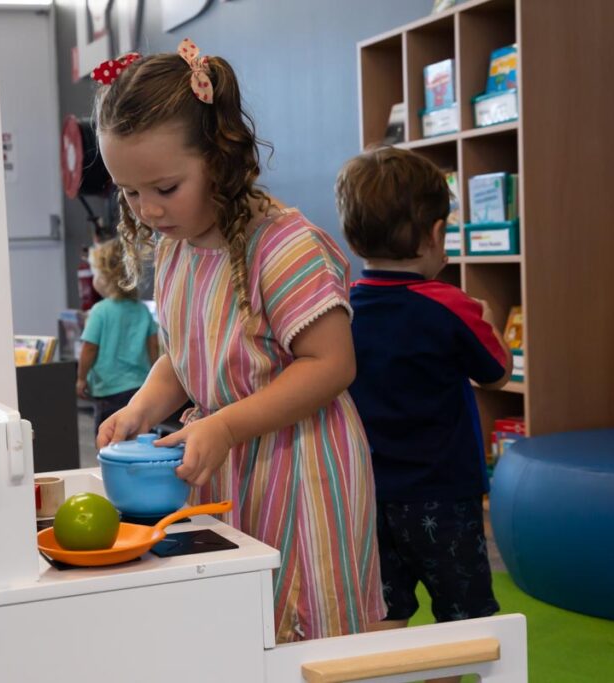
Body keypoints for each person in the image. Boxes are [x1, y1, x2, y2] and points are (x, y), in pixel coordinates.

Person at [91, 39, 385, 642]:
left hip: (300, 472)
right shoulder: (177, 246)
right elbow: (188, 349)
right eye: (129, 192)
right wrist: (142, 407)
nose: (147, 209)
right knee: (238, 630)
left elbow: (331, 364)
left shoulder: (283, 245)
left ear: (220, 159)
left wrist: (225, 425)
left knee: (302, 635)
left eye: (165, 188)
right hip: (226, 465)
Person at [335, 147, 510, 681]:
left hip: (367, 494)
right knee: (459, 620)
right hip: (444, 497)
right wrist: (485, 317)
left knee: (384, 611)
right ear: (436, 234)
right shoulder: (449, 304)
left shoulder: (341, 305)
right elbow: (496, 372)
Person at [77, 238, 159, 432]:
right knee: (137, 435)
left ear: (105, 277)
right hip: (140, 388)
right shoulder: (142, 310)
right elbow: (153, 347)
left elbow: (89, 348)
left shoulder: (100, 311)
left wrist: (81, 378)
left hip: (109, 390)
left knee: (109, 438)